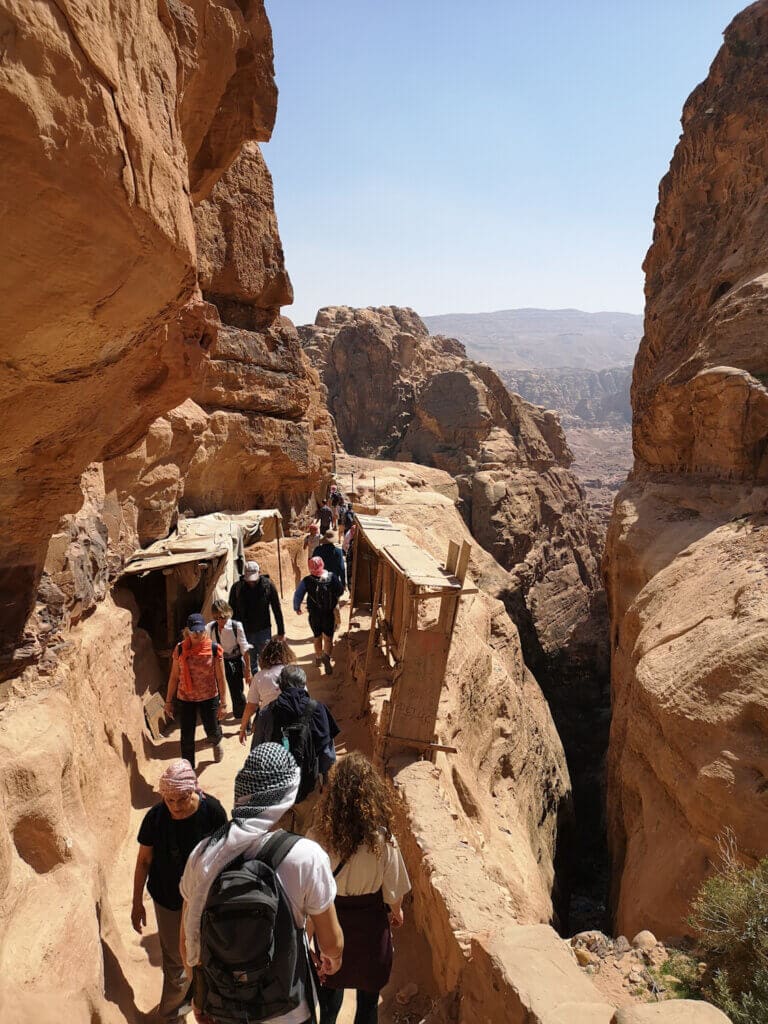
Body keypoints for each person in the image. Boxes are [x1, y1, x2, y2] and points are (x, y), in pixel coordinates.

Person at [179, 744, 345, 1024]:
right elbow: (332, 944)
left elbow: (186, 945)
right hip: (287, 1010)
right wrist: (333, 960)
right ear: (287, 797)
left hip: (225, 1010)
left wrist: (200, 996)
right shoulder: (306, 857)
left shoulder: (203, 855)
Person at [310, 753, 411, 1024]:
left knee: (329, 1000)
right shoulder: (383, 839)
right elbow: (394, 891)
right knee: (368, 1006)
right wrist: (397, 912)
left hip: (329, 927)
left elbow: (307, 889)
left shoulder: (318, 838)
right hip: (370, 929)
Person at [132, 760, 227, 1024]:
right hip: (169, 902)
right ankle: (174, 1014)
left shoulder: (214, 813)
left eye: (181, 799)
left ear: (193, 790)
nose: (175, 806)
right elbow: (143, 861)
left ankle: (207, 1006)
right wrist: (136, 902)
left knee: (209, 955)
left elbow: (225, 855)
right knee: (176, 962)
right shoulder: (155, 818)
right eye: (169, 800)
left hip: (206, 899)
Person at [165, 613, 227, 769]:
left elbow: (220, 678)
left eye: (200, 631)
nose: (197, 634)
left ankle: (216, 740)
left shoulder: (213, 649)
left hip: (209, 697)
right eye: (194, 631)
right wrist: (168, 701)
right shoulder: (180, 650)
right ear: (188, 631)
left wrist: (224, 703)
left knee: (211, 730)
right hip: (186, 698)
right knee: (186, 737)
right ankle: (189, 771)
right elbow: (174, 677)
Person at [238, 637, 297, 746]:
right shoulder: (294, 673)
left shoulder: (260, 676)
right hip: (292, 718)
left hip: (269, 721)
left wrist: (243, 728)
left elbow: (251, 706)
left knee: (258, 753)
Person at [229, 560, 286, 672]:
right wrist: (234, 633)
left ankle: (267, 686)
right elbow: (232, 612)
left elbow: (276, 609)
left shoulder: (268, 585)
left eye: (254, 579)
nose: (252, 582)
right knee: (250, 665)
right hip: (245, 632)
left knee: (267, 661)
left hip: (263, 631)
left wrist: (281, 632)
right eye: (249, 579)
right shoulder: (237, 588)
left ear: (259, 573)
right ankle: (256, 687)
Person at [293, 557, 344, 675]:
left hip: (314, 614)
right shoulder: (332, 577)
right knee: (328, 637)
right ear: (323, 564)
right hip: (328, 613)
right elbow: (340, 591)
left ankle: (318, 656)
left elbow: (298, 595)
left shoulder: (307, 580)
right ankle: (327, 656)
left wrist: (297, 607)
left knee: (317, 636)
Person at [206, 598, 252, 721]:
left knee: (237, 691)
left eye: (223, 617)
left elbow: (245, 649)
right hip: (218, 661)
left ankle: (244, 719)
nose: (220, 621)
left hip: (234, 660)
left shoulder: (236, 627)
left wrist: (248, 670)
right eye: (217, 618)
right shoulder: (209, 628)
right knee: (216, 692)